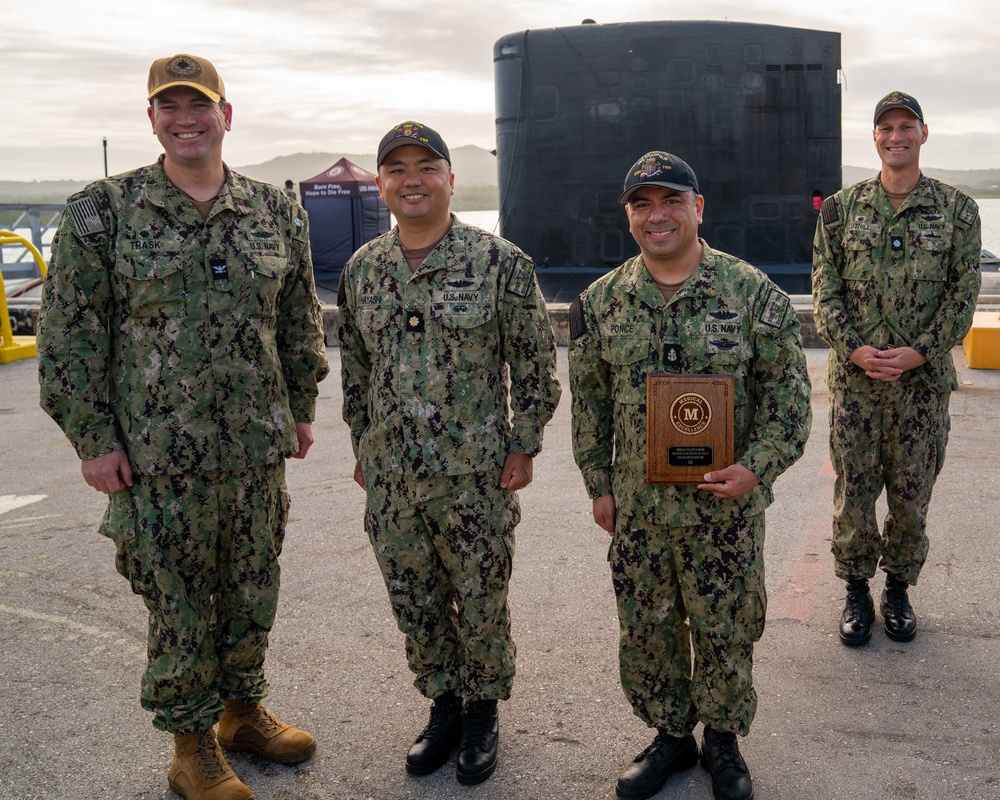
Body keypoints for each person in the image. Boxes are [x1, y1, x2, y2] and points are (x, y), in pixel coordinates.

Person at [37, 53, 329, 800]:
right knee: (177, 600)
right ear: (152, 120)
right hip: (155, 456)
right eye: (169, 106)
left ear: (225, 115)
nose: (185, 118)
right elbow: (68, 335)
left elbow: (298, 321)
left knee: (251, 587)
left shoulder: (274, 211)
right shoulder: (103, 211)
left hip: (255, 449)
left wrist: (299, 409)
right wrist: (93, 440)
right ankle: (190, 744)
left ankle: (240, 713)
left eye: (198, 105)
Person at [569, 151, 811, 800]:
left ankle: (724, 743)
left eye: (671, 200)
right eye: (643, 204)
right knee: (647, 630)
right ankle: (671, 738)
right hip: (640, 513)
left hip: (724, 513)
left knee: (727, 628)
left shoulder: (754, 296)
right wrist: (598, 486)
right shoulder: (600, 304)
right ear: (629, 218)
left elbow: (790, 405)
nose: (658, 215)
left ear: (698, 208)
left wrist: (756, 470)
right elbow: (589, 407)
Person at [338, 120, 561, 785]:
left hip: (474, 476)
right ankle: (443, 704)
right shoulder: (363, 270)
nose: (412, 180)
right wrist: (363, 446)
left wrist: (524, 447)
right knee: (415, 598)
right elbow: (356, 372)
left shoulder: (499, 262)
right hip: (393, 476)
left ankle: (483, 709)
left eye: (427, 167)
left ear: (449, 180)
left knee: (480, 596)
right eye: (398, 169)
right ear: (381, 184)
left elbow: (535, 369)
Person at [812, 91, 982, 647]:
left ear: (923, 134)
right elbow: (825, 291)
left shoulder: (958, 211)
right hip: (857, 386)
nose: (896, 135)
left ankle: (899, 589)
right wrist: (856, 349)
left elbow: (963, 296)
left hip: (923, 388)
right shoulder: (839, 211)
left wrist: (922, 352)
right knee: (854, 497)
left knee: (912, 498)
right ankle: (857, 591)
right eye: (886, 127)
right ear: (876, 137)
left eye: (906, 126)